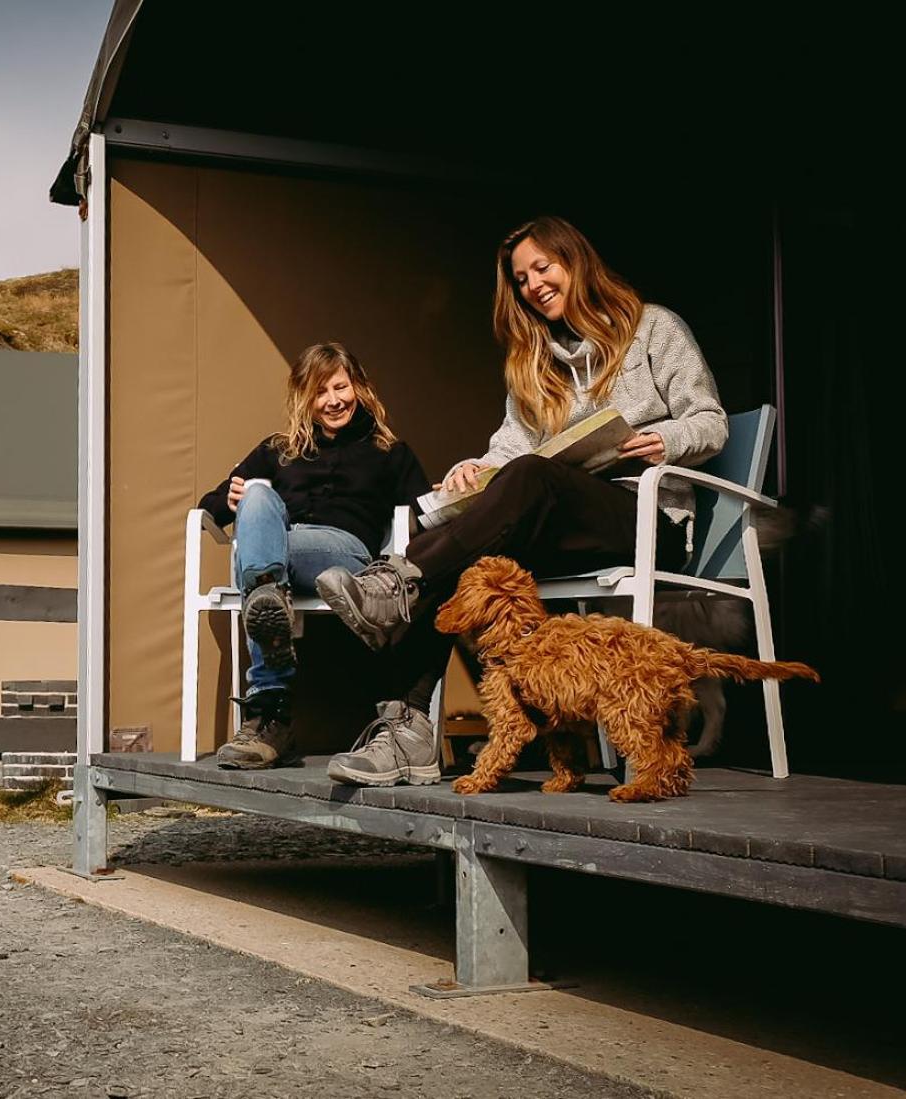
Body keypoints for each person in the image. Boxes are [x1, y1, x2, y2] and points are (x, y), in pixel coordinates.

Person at [316, 215, 728, 677]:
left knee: (531, 478)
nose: (533, 284)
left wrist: (664, 439)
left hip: (648, 519)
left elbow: (710, 421)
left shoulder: (653, 327)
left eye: (543, 267)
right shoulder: (534, 364)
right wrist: (474, 469)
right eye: (521, 279)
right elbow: (509, 451)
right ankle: (404, 719)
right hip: (565, 524)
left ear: (575, 262)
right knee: (461, 552)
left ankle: (394, 583)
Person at [196, 342, 444, 785]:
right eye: (320, 392)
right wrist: (230, 499)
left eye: (340, 387)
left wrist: (444, 493)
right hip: (279, 556)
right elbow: (210, 508)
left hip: (342, 556)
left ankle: (270, 712)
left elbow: (423, 512)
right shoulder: (278, 450)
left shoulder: (390, 452)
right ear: (304, 399)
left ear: (360, 388)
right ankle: (269, 601)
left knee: (261, 553)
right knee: (255, 494)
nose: (333, 400)